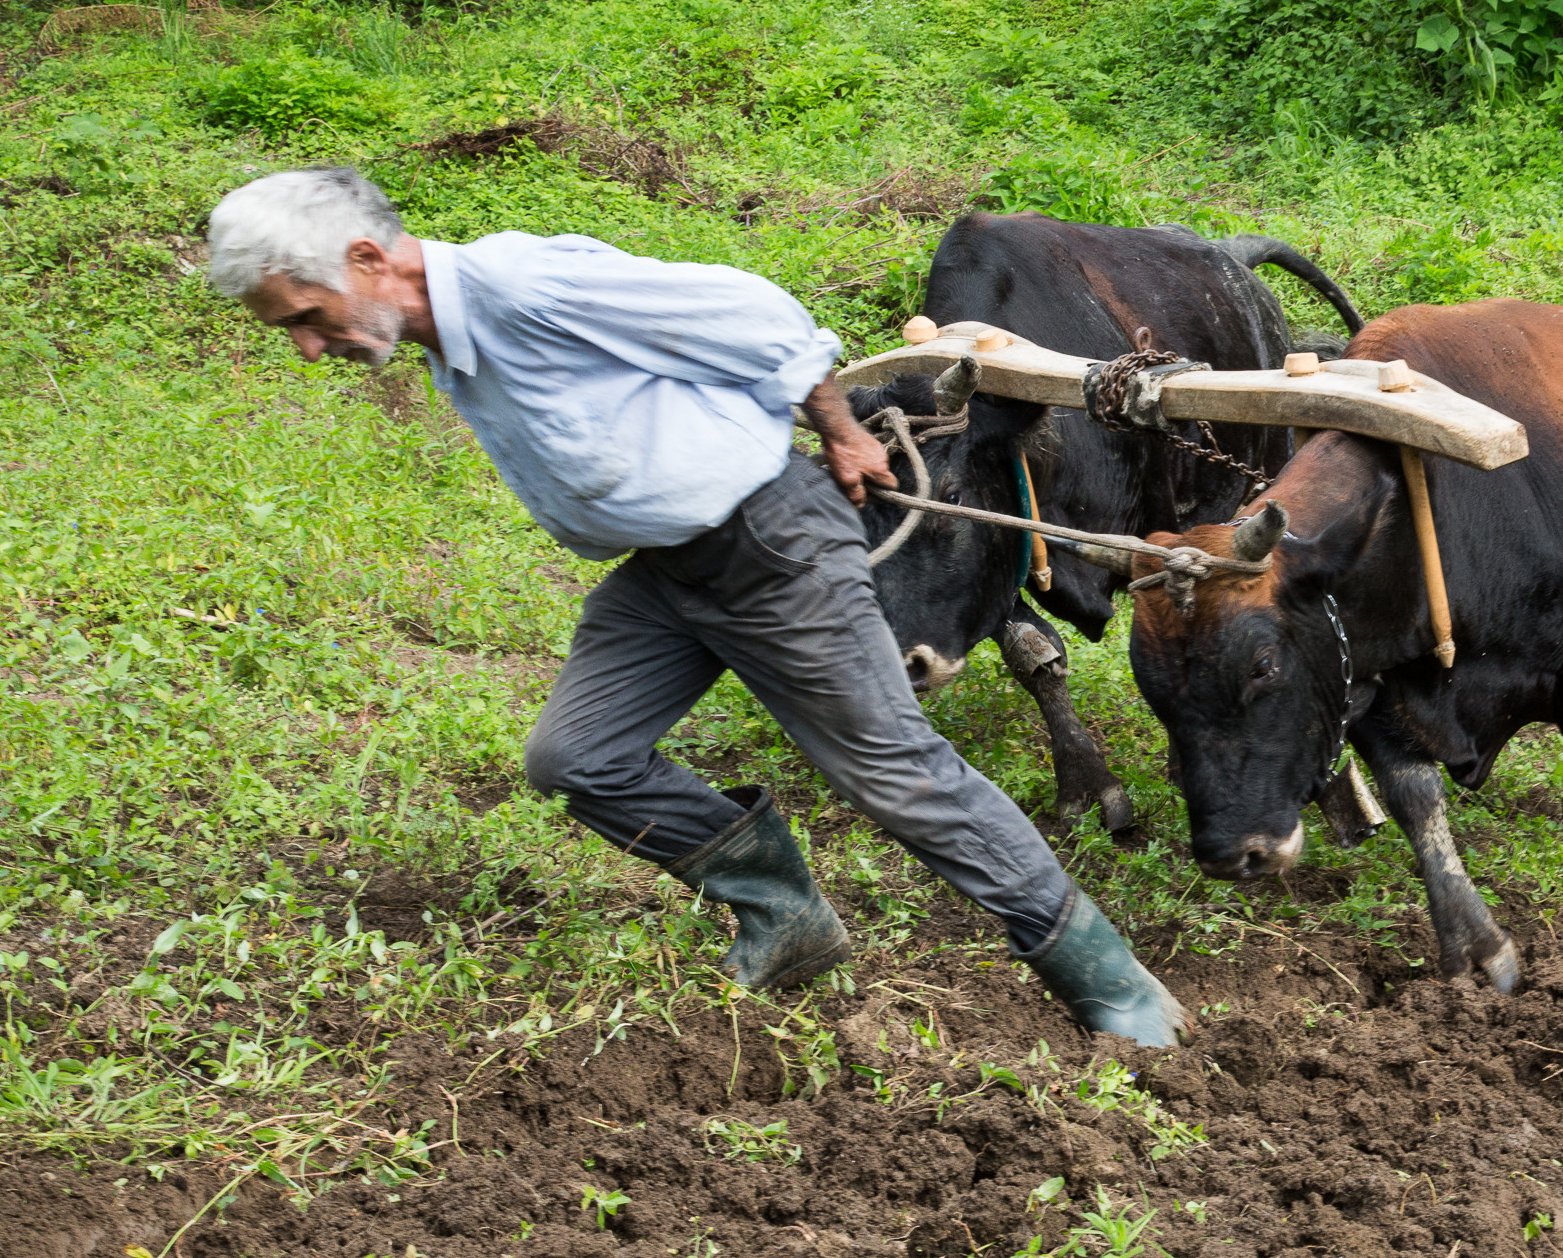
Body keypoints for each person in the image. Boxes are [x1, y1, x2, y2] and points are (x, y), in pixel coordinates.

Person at [205, 167, 1191, 1045]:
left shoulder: (520, 285)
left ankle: (1108, 982)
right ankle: (784, 914)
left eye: (304, 313)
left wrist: (842, 432)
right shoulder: (445, 335)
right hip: (675, 569)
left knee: (900, 778)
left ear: (370, 257)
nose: (303, 346)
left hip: (770, 545)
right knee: (576, 756)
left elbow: (752, 313)